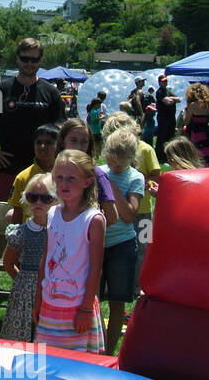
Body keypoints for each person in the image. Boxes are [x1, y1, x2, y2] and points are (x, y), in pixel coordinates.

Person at [0, 37, 66, 202]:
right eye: (25, 59)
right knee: (2, 220)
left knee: (44, 220)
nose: (29, 63)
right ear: (17, 59)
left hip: (44, 170)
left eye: (34, 59)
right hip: (8, 167)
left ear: (41, 60)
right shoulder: (2, 91)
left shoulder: (50, 92)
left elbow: (61, 126)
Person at [34, 150, 106, 354]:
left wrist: (85, 308)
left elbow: (95, 268)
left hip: (77, 307)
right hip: (50, 303)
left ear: (87, 181)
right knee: (47, 362)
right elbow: (46, 258)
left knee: (77, 365)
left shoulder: (93, 220)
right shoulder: (52, 214)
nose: (64, 184)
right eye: (59, 178)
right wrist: (39, 297)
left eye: (71, 178)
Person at [98, 129, 144, 354]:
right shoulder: (99, 172)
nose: (113, 168)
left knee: (117, 302)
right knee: (91, 300)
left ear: (130, 160)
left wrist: (112, 187)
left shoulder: (135, 177)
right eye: (111, 162)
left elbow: (128, 215)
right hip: (96, 244)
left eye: (119, 165)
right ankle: (90, 347)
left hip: (122, 246)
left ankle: (107, 352)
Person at [103, 111, 160, 288]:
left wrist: (147, 183)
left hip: (143, 211)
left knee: (145, 246)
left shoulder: (146, 149)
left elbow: (156, 174)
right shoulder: (110, 159)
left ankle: (141, 283)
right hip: (119, 214)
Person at [1, 171, 55, 343]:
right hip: (25, 289)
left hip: (52, 287)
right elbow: (8, 262)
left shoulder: (58, 230)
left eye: (45, 198)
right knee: (23, 331)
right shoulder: (22, 231)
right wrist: (23, 280)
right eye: (33, 197)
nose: (38, 202)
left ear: (56, 200)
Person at [5, 123, 60, 224]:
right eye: (38, 142)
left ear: (59, 145)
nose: (43, 146)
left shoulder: (64, 175)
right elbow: (17, 213)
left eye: (49, 143)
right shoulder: (23, 177)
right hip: (30, 233)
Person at [179, 82, 209, 166]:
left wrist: (185, 112)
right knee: (208, 155)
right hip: (208, 132)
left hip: (196, 133)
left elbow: (187, 121)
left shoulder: (193, 105)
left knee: (198, 156)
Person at [154, 74, 180, 160]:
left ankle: (168, 155)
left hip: (171, 117)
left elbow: (178, 99)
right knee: (162, 137)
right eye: (163, 81)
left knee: (170, 136)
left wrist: (170, 98)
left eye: (166, 81)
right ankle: (160, 156)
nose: (165, 83)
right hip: (163, 118)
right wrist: (172, 100)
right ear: (159, 82)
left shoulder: (168, 90)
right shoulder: (160, 92)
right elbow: (167, 102)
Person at [86, 94, 106, 159]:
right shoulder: (94, 112)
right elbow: (94, 121)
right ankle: (98, 155)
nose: (100, 106)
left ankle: (97, 155)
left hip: (96, 130)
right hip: (95, 131)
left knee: (97, 143)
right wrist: (101, 118)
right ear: (95, 104)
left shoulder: (94, 111)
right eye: (99, 104)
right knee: (98, 143)